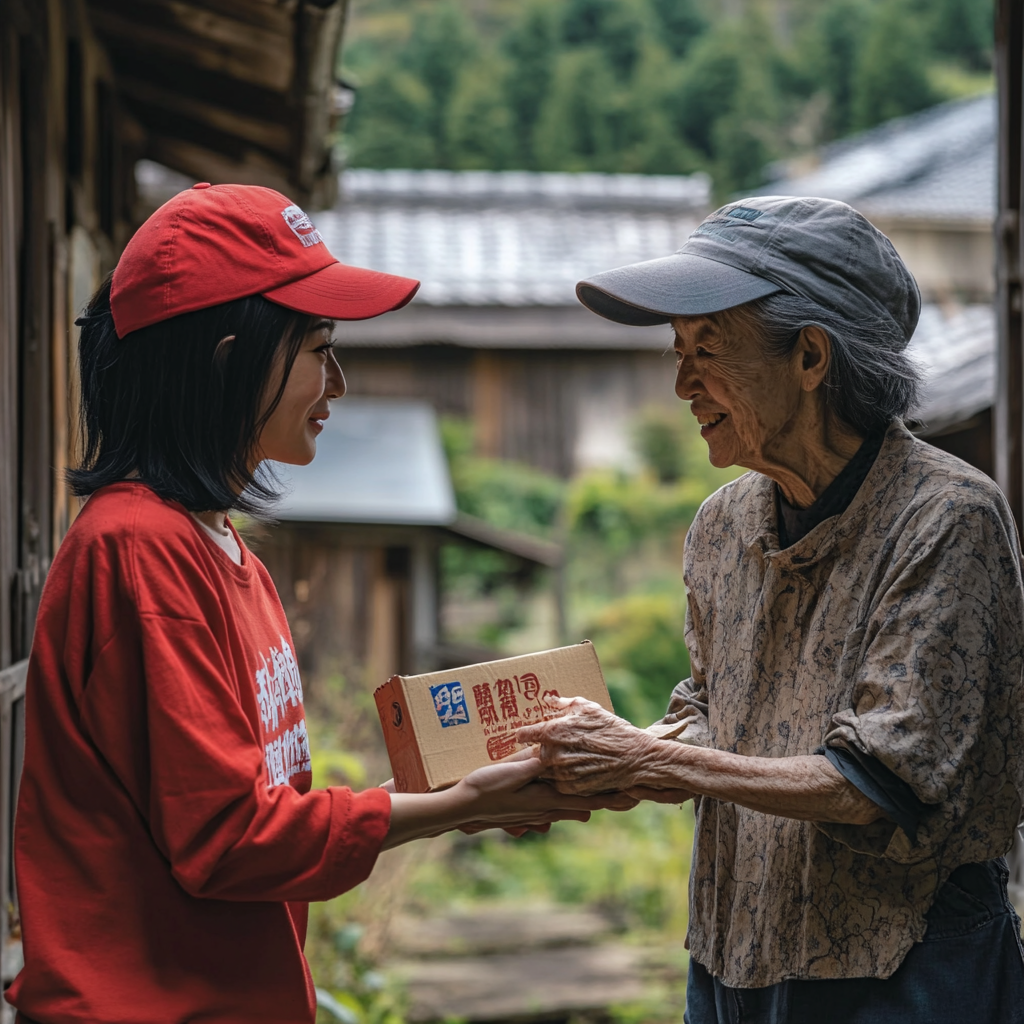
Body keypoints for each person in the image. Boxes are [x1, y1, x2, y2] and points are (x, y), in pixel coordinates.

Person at [7, 183, 629, 1024]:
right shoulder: (138, 552)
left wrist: (451, 796)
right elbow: (229, 839)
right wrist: (459, 806)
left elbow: (264, 812)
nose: (336, 383)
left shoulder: (222, 552)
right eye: (317, 350)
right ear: (228, 360)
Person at [518, 196, 1024, 1023]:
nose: (683, 383)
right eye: (677, 351)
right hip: (733, 957)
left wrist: (645, 762)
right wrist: (583, 764)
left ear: (812, 357)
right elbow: (713, 717)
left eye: (707, 350)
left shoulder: (946, 517)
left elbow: (876, 781)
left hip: (900, 972)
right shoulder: (722, 524)